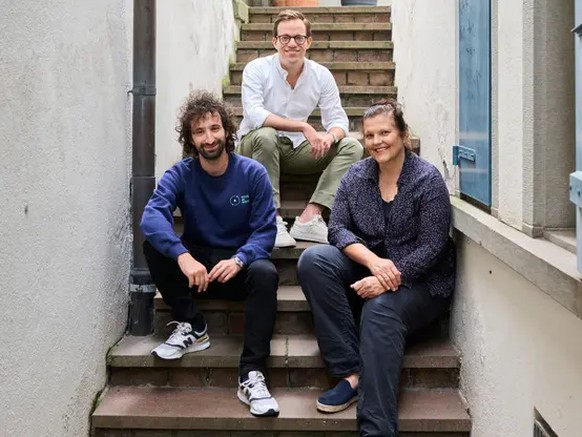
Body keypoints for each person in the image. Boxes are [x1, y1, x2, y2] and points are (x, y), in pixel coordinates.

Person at [297, 100, 455, 436]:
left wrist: (387, 279)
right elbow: (336, 228)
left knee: (380, 310)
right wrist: (373, 263)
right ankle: (351, 372)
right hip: (372, 268)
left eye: (384, 132)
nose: (376, 141)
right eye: (369, 135)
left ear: (402, 134)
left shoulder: (427, 180)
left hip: (422, 283)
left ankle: (376, 430)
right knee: (313, 260)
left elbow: (433, 246)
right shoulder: (356, 175)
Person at [140, 91, 280, 418]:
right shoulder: (182, 173)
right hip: (198, 270)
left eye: (215, 128)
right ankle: (192, 325)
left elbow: (266, 231)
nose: (209, 137)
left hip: (236, 268)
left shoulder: (252, 173)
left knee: (266, 273)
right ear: (190, 138)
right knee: (154, 247)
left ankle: (251, 373)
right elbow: (152, 216)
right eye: (200, 131)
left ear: (227, 131)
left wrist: (241, 259)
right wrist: (182, 256)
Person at [237, 9, 363, 248]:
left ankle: (310, 217)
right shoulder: (256, 69)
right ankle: (269, 220)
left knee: (351, 146)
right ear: (275, 41)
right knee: (266, 135)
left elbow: (338, 120)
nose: (292, 43)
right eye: (285, 38)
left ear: (308, 41)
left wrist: (330, 137)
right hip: (254, 149)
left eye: (298, 38)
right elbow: (255, 115)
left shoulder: (321, 75)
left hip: (294, 150)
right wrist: (304, 126)